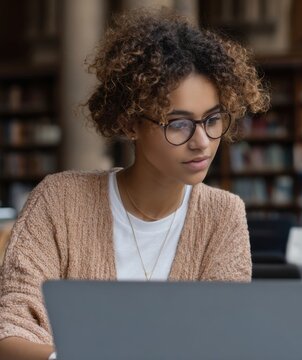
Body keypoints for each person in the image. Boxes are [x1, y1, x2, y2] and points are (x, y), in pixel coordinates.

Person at [0, 10, 268, 360]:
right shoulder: (59, 201)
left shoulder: (223, 215)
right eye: (178, 124)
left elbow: (223, 339)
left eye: (213, 120)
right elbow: (11, 327)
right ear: (130, 123)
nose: (202, 141)